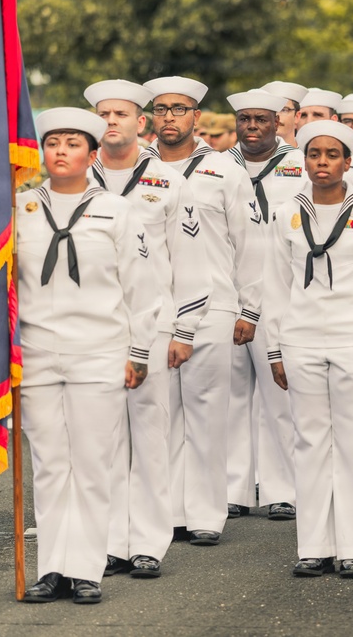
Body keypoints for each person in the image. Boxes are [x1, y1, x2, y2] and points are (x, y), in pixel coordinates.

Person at [18, 107, 159, 604]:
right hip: (36, 352)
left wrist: (138, 352)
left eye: (72, 143)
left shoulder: (118, 211)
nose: (60, 151)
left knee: (94, 462)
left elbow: (142, 286)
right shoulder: (20, 210)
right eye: (53, 142)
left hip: (99, 351)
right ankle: (52, 566)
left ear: (92, 154)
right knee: (51, 463)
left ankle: (87, 569)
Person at [262, 120, 353, 578]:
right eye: (314, 154)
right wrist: (274, 349)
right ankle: (313, 547)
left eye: (332, 155)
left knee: (351, 442)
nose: (322, 163)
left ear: (348, 161)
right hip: (300, 337)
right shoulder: (286, 213)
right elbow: (275, 285)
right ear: (305, 160)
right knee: (309, 441)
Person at [84, 79, 210, 579]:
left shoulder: (168, 182)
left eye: (121, 114)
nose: (111, 122)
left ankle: (149, 544)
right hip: (94, 328)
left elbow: (190, 260)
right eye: (103, 115)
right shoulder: (79, 179)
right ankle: (112, 541)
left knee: (151, 435)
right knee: (104, 439)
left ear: (142, 123)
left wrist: (185, 328)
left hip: (153, 327)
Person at [143, 76, 260, 545]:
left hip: (213, 306)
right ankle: (168, 511)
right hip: (154, 308)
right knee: (160, 414)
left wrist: (248, 309)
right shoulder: (138, 168)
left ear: (196, 116)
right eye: (162, 108)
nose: (169, 116)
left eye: (179, 108)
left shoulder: (224, 170)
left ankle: (207, 514)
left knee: (207, 414)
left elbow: (248, 243)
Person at [225, 89, 309, 522]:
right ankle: (235, 488)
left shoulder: (301, 166)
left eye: (261, 119)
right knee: (233, 397)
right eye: (244, 119)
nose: (252, 127)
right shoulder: (220, 167)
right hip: (227, 295)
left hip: (280, 296)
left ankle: (283, 489)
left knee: (280, 398)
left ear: (278, 122)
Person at [262, 81, 309, 148]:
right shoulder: (247, 156)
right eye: (271, 110)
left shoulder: (307, 155)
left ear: (297, 117)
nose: (276, 116)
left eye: (284, 110)